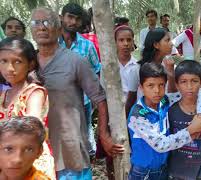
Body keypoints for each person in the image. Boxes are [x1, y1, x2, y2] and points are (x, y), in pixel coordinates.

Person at [30, 7, 123, 179]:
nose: (41, 27)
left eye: (47, 22)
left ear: (58, 27)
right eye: (36, 22)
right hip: (36, 153)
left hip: (70, 151)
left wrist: (103, 135)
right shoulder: (27, 64)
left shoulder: (75, 62)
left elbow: (100, 98)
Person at [127, 62, 201, 180]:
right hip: (143, 173)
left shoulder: (164, 101)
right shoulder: (137, 116)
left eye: (161, 85)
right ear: (141, 87)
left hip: (163, 169)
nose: (157, 91)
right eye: (150, 85)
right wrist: (190, 130)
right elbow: (161, 144)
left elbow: (197, 92)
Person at [0, 37, 55, 179]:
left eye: (17, 62)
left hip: (30, 163)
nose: (9, 68)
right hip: (8, 163)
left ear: (30, 64)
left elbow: (31, 128)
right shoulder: (3, 95)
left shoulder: (34, 93)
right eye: (3, 61)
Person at [58, 2, 101, 157]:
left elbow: (97, 71)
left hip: (82, 100)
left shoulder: (87, 46)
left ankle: (88, 159)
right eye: (70, 17)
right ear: (61, 18)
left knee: (85, 131)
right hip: (57, 100)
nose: (73, 22)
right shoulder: (50, 45)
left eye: (77, 19)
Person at [167, 60, 201, 180]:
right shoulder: (170, 109)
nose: (189, 87)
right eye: (183, 82)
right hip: (174, 172)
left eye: (194, 81)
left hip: (198, 173)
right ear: (177, 84)